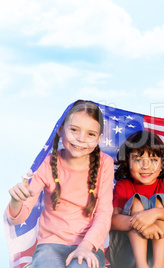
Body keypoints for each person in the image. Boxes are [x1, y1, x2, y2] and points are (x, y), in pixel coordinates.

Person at [7, 100, 114, 268]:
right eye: (74, 130)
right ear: (60, 130)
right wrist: (16, 200)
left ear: (99, 138)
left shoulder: (105, 163)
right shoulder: (47, 163)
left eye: (90, 134)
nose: (81, 139)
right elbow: (17, 218)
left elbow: (104, 214)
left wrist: (86, 246)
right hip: (49, 246)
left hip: (88, 246)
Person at [109, 130, 164, 268]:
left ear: (162, 163)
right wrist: (141, 223)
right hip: (129, 256)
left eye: (153, 159)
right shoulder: (124, 185)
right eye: (138, 159)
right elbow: (112, 220)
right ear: (127, 162)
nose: (145, 166)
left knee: (160, 200)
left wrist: (154, 214)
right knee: (136, 201)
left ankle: (158, 266)